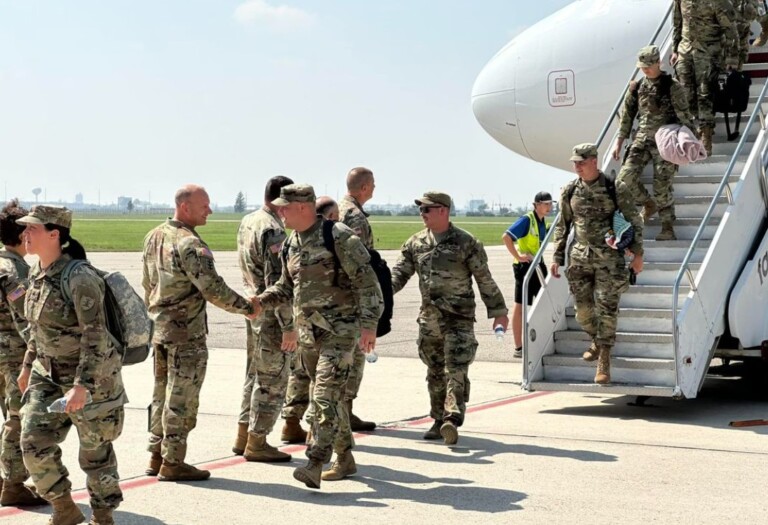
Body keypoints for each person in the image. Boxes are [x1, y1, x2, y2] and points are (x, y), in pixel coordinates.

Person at [254, 184, 382, 489]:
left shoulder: (338, 236)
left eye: (284, 207)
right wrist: (260, 302)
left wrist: (369, 325)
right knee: (332, 399)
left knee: (323, 397)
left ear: (302, 207)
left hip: (340, 332)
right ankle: (345, 457)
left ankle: (314, 461)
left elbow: (367, 282)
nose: (280, 212)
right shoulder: (291, 244)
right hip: (309, 335)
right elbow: (286, 288)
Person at [17, 205, 126, 525]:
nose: (24, 234)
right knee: (32, 441)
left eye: (32, 229)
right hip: (47, 374)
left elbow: (96, 337)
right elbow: (37, 328)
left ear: (54, 234)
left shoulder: (79, 277)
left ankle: (103, 515)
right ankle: (64, 508)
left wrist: (81, 386)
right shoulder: (37, 272)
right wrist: (27, 365)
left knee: (95, 453)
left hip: (90, 378)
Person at [142, 184, 258, 482]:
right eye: (204, 205)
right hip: (186, 335)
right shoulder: (189, 244)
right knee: (182, 398)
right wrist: (247, 307)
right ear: (185, 207)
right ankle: (173, 461)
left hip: (160, 330)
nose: (210, 210)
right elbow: (213, 288)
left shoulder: (154, 236)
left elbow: (147, 285)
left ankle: (156, 454)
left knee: (161, 394)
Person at [391, 191, 509, 445]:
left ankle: (452, 418)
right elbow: (398, 276)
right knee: (434, 372)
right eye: (420, 210)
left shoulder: (466, 242)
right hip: (429, 319)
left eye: (426, 209)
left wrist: (498, 312)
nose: (421, 214)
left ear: (443, 210)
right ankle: (437, 419)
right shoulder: (415, 243)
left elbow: (484, 278)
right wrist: (377, 296)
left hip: (459, 317)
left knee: (455, 367)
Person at [551, 144, 644, 384]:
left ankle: (604, 359)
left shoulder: (615, 188)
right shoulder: (570, 191)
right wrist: (556, 257)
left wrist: (638, 254)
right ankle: (596, 339)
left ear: (594, 160)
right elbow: (563, 226)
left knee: (607, 309)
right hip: (580, 258)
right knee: (583, 313)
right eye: (575, 163)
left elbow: (634, 220)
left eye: (581, 162)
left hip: (609, 260)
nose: (577, 167)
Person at [233, 176, 303, 462]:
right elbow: (279, 284)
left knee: (253, 375)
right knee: (272, 379)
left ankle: (243, 435)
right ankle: (257, 441)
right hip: (272, 314)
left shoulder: (249, 221)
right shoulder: (273, 230)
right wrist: (289, 327)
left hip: (254, 309)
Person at [614, 45, 695, 241]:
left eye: (649, 66)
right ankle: (647, 204)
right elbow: (627, 116)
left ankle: (667, 226)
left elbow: (684, 115)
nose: (646, 70)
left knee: (662, 186)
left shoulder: (672, 86)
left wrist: (688, 140)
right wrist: (619, 141)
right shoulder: (637, 87)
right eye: (643, 66)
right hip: (642, 139)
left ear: (659, 62)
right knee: (624, 179)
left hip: (665, 140)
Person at [0, 201, 46, 508]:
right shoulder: (14, 271)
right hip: (12, 356)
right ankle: (13, 484)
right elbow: (26, 318)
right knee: (17, 418)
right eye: (29, 228)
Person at [671, 0, 739, 154]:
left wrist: (732, 58)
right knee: (684, 94)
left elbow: (731, 30)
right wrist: (675, 49)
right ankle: (694, 129)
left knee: (704, 94)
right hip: (685, 50)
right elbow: (677, 23)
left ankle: (706, 134)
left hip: (708, 53)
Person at [338, 167, 377, 432]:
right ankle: (345, 412)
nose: (374, 189)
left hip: (335, 295)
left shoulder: (338, 209)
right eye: (372, 184)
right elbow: (359, 262)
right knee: (353, 358)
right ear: (363, 188)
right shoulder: (356, 217)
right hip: (351, 298)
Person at [502, 192, 552, 359]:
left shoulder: (543, 222)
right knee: (521, 304)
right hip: (525, 267)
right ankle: (518, 346)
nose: (548, 207)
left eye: (550, 203)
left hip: (538, 265)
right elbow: (507, 237)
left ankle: (539, 340)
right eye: (545, 203)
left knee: (541, 304)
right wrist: (518, 256)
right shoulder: (527, 220)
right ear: (536, 204)